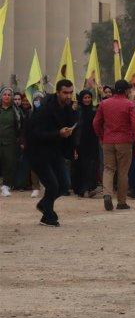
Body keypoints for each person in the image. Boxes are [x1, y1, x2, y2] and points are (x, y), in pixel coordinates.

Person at [29, 80, 76, 227]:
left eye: (70, 92)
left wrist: (72, 145)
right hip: (38, 153)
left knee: (64, 185)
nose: (68, 96)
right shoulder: (44, 109)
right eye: (65, 93)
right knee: (53, 185)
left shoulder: (68, 109)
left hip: (56, 152)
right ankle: (48, 217)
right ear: (58, 93)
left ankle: (44, 204)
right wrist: (58, 133)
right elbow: (35, 133)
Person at [93, 80, 135, 212]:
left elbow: (96, 122)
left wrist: (101, 136)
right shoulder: (129, 104)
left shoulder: (104, 103)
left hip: (108, 140)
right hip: (125, 141)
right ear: (126, 91)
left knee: (108, 169)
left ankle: (107, 194)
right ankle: (121, 202)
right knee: (123, 171)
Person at [71, 90, 100, 198]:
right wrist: (72, 111)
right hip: (80, 142)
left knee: (92, 165)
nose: (87, 100)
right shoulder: (77, 110)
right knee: (81, 165)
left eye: (89, 97)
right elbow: (71, 124)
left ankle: (90, 187)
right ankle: (81, 189)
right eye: (85, 98)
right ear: (81, 99)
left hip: (92, 141)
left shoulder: (94, 110)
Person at [0, 86, 23, 197]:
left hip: (10, 142)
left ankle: (6, 186)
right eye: (4, 94)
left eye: (9, 95)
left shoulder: (16, 111)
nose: (7, 97)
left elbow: (20, 127)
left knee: (9, 164)